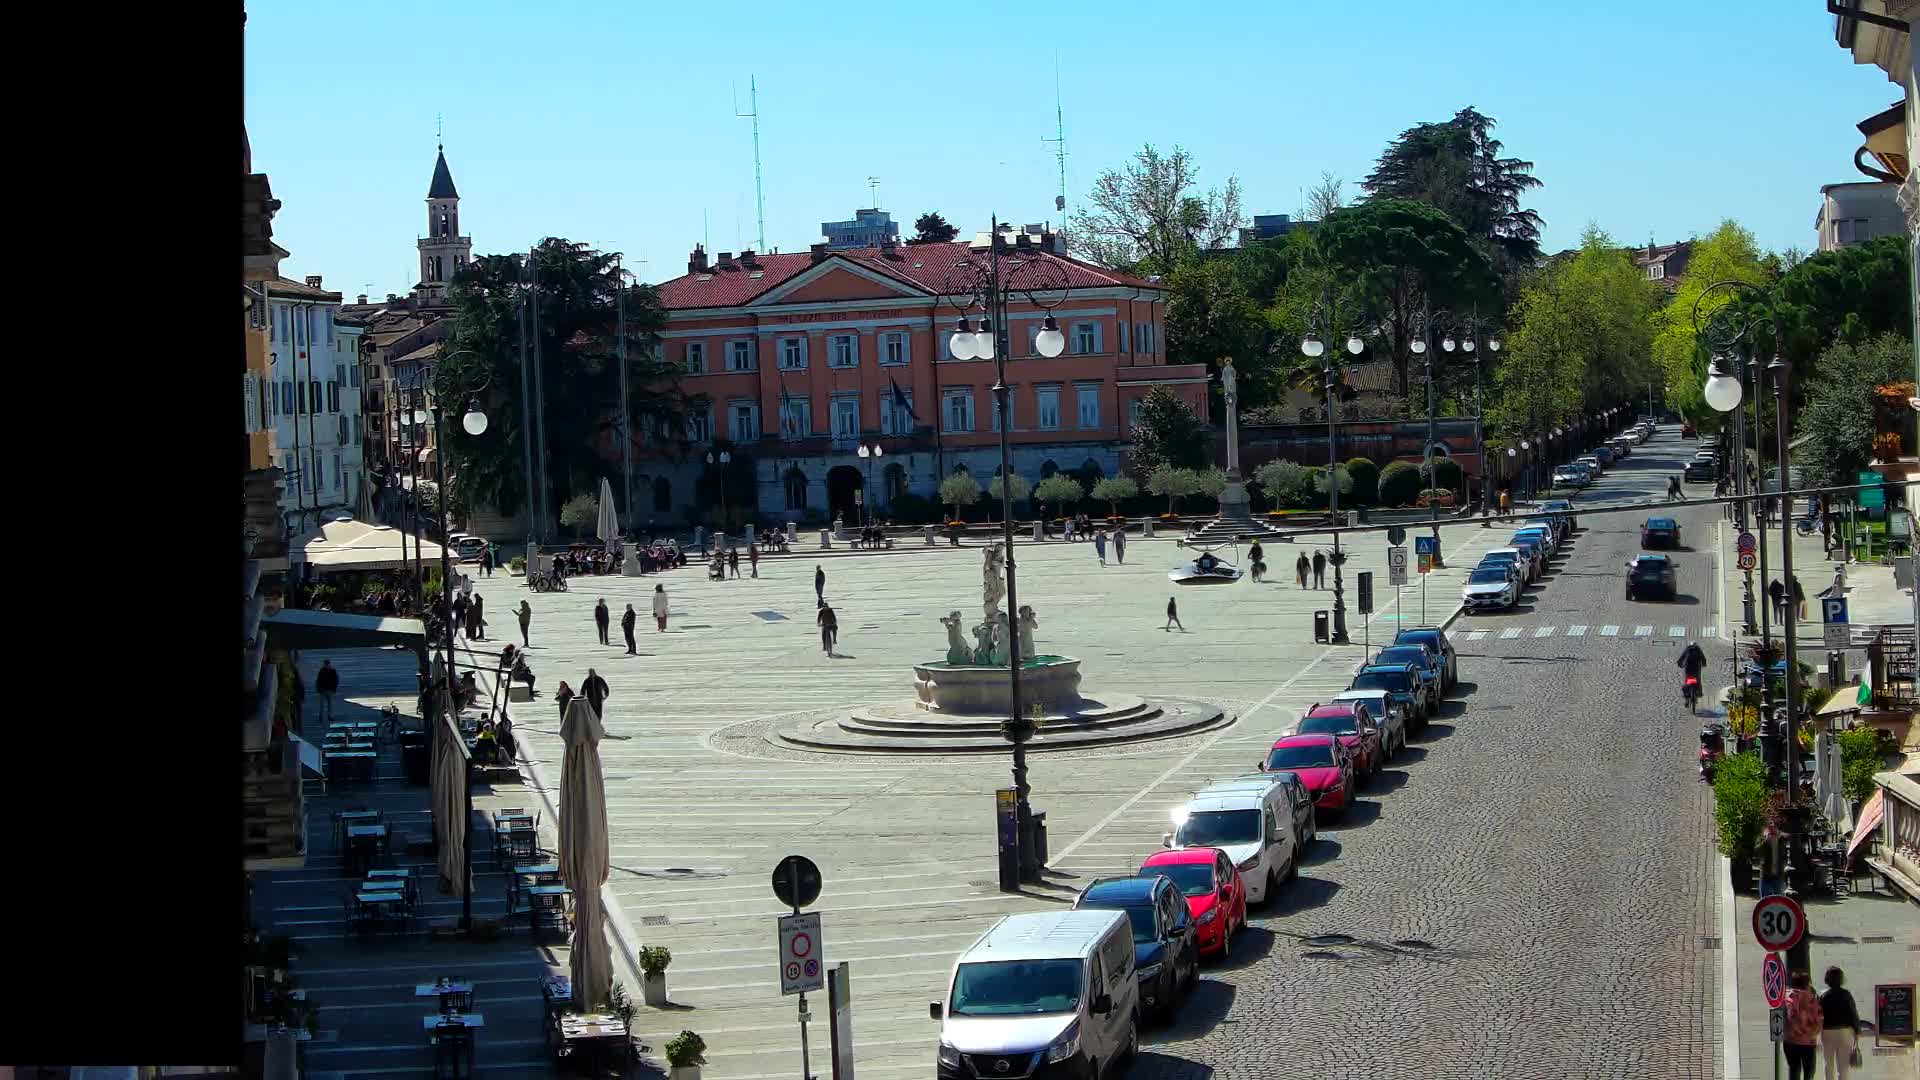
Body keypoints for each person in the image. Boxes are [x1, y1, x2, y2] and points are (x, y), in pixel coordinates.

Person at [1819, 966, 1862, 1078]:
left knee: (1828, 1065)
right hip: (1845, 1031)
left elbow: (1819, 1014)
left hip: (1827, 1031)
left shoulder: (1823, 995)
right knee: (1843, 1067)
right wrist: (1857, 1031)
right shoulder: (1846, 994)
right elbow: (1853, 1013)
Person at [1782, 969, 1823, 1080]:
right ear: (1808, 983)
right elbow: (1820, 1019)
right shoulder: (1813, 999)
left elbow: (1788, 1017)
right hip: (1808, 1042)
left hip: (1791, 1041)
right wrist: (1813, 1033)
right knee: (1809, 1072)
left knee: (1794, 1070)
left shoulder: (1787, 997)